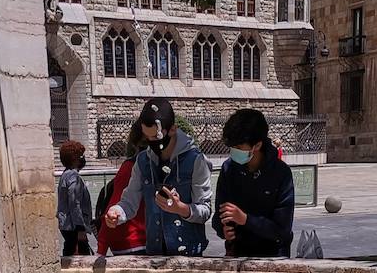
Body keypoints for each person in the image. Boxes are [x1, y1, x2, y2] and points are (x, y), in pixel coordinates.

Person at [103, 97, 213, 256]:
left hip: (188, 255)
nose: (151, 142)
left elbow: (205, 210)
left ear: (173, 129)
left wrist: (180, 208)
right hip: (154, 253)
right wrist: (116, 213)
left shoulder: (196, 161)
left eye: (156, 137)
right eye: (147, 137)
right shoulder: (142, 161)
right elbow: (129, 202)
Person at [211, 108, 296, 258]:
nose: (234, 152)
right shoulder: (229, 169)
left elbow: (282, 230)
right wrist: (223, 229)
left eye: (238, 148)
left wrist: (245, 219)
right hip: (238, 253)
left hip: (273, 257)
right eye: (232, 147)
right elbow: (219, 216)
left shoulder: (281, 173)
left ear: (257, 145)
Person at [96, 122, 148, 256]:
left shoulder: (130, 167)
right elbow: (115, 207)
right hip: (134, 243)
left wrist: (102, 246)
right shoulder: (132, 168)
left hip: (136, 241)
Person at [55, 140, 93, 257]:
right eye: (81, 156)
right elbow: (74, 202)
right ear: (74, 158)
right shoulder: (73, 176)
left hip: (68, 225)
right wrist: (80, 228)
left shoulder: (65, 175)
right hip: (73, 226)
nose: (83, 158)